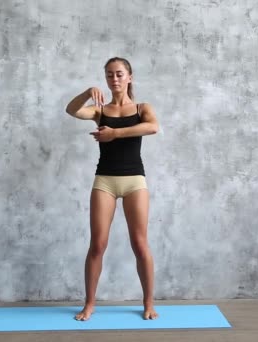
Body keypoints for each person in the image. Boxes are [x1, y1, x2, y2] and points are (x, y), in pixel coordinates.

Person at [65, 57, 159, 321]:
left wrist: (115, 134)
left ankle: (149, 303)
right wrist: (86, 93)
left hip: (134, 182)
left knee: (140, 245)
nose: (114, 79)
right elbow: (71, 110)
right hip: (104, 180)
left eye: (119, 74)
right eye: (109, 75)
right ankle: (89, 304)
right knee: (97, 244)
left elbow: (153, 127)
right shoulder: (100, 110)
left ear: (129, 77)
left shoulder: (142, 108)